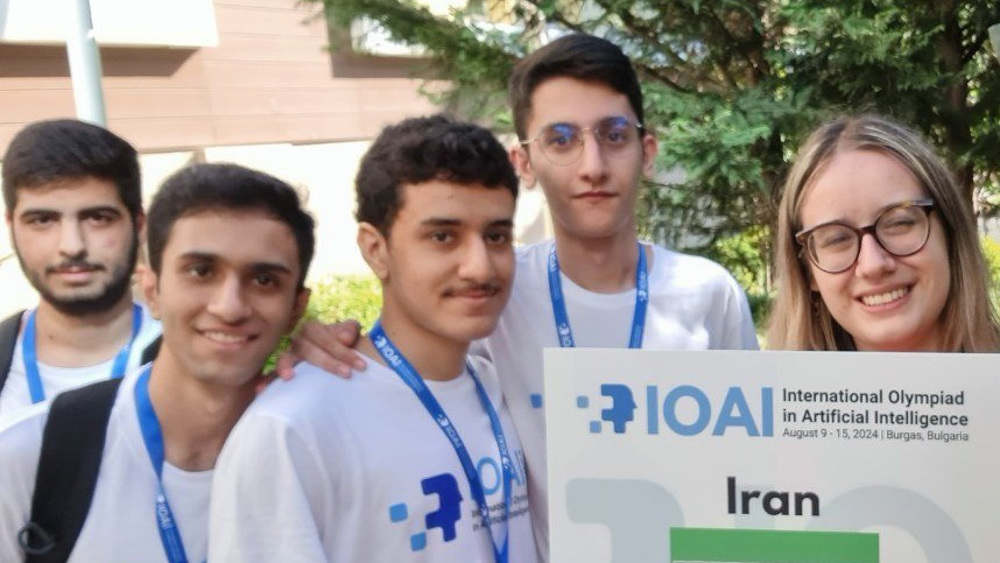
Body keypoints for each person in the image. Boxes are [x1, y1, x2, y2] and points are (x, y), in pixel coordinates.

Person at [283, 34, 759, 559]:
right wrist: (321, 344)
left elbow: (754, 464)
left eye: (614, 134)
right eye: (560, 139)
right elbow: (407, 352)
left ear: (646, 151)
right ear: (524, 163)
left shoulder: (709, 294)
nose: (593, 165)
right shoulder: (494, 295)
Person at [210, 115, 537, 562]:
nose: (480, 267)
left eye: (496, 236)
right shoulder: (293, 428)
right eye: (443, 236)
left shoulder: (503, 390)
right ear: (375, 249)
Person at [0, 163, 313, 562]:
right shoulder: (29, 454)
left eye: (264, 280)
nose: (230, 307)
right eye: (201, 271)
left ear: (296, 309)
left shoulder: (316, 446)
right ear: (152, 290)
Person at [767, 113, 1000, 351]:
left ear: (949, 234)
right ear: (808, 272)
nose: (873, 265)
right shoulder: (767, 388)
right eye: (837, 239)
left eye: (899, 223)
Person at [0, 119, 161, 420]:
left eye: (97, 218)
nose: (72, 246)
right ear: (11, 227)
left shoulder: (200, 364)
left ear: (139, 225)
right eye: (43, 220)